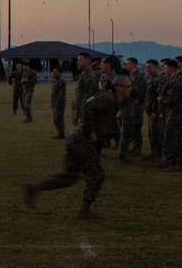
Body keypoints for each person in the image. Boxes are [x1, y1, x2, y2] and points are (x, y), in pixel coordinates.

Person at [23, 74, 132, 219]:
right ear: (119, 87)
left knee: (70, 176)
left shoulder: (115, 100)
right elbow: (88, 106)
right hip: (82, 139)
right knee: (98, 175)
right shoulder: (108, 98)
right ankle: (84, 211)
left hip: (75, 138)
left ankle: (35, 188)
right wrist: (91, 131)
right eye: (129, 86)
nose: (131, 89)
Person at [157, 59, 182, 172]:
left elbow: (171, 99)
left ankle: (174, 162)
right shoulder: (171, 80)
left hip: (174, 114)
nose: (164, 70)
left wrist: (161, 99)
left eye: (165, 68)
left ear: (172, 69)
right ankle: (173, 161)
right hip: (171, 113)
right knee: (174, 138)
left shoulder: (174, 82)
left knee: (171, 138)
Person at [118, 57, 146, 162]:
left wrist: (138, 100)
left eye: (128, 63)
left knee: (137, 126)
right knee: (130, 128)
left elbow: (143, 90)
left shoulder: (139, 77)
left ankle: (137, 147)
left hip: (137, 107)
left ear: (134, 64)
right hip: (129, 107)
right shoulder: (128, 77)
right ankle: (132, 147)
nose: (126, 65)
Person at [143, 60, 163, 161]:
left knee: (155, 132)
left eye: (149, 67)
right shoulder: (151, 79)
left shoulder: (157, 79)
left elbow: (158, 97)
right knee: (151, 133)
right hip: (151, 110)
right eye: (146, 67)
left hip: (155, 111)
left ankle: (157, 153)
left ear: (155, 68)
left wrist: (155, 110)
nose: (147, 69)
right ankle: (153, 152)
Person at [71, 52, 96, 126]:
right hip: (79, 114)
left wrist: (81, 116)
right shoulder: (83, 77)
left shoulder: (90, 78)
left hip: (85, 116)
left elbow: (88, 99)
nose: (77, 62)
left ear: (87, 61)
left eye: (80, 60)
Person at [50, 68, 67, 139]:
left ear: (60, 73)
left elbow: (61, 94)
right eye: (53, 72)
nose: (54, 73)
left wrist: (57, 103)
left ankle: (61, 133)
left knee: (59, 118)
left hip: (60, 103)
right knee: (55, 118)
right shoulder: (55, 82)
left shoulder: (62, 82)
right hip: (55, 103)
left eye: (55, 72)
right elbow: (53, 94)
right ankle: (59, 132)